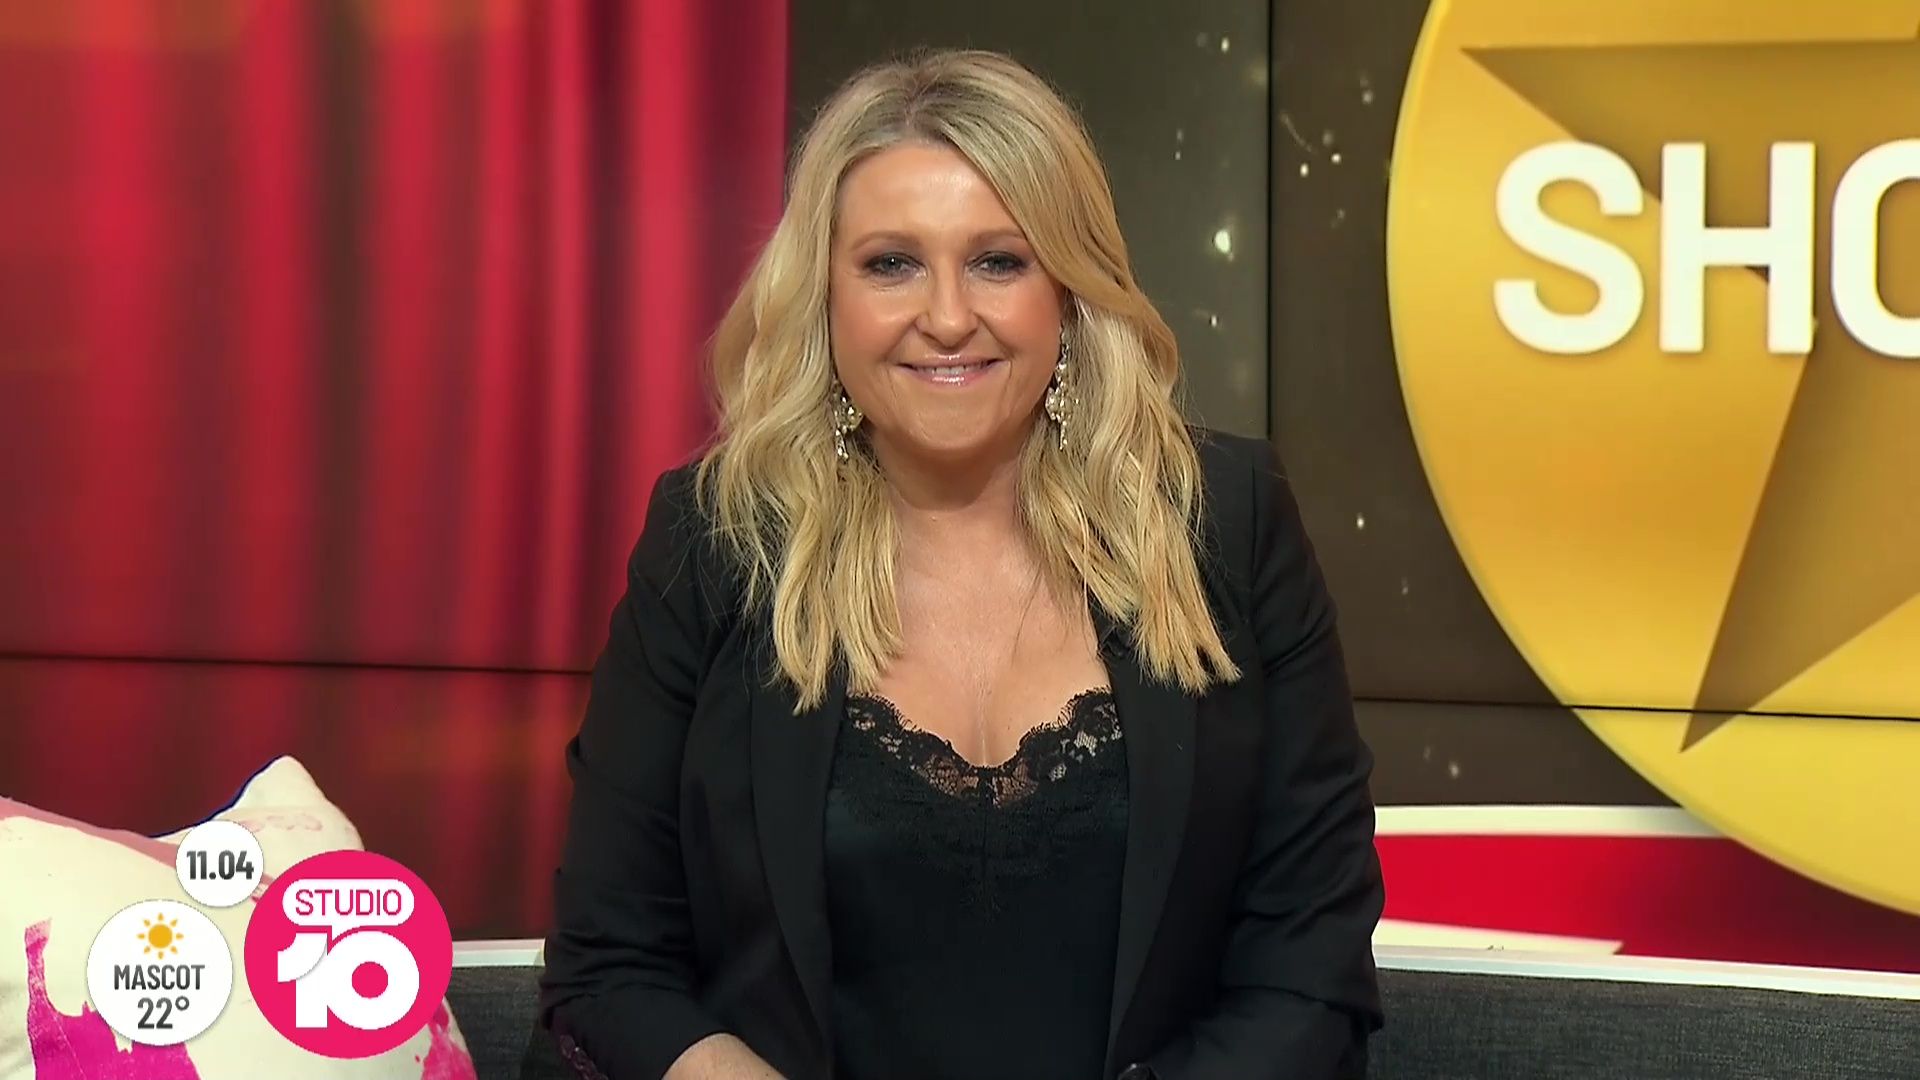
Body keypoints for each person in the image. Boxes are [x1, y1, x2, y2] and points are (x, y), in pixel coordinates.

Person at [539, 48, 1384, 1080]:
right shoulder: (716, 540)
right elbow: (609, 963)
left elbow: (1309, 966)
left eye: (998, 261)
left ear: (1069, 291)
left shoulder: (1227, 523)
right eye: (891, 263)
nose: (945, 317)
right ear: (825, 296)